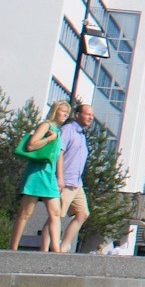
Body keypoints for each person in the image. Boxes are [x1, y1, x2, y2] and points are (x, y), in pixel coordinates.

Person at [8, 101, 70, 252]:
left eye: (67, 113)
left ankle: (55, 249)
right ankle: (13, 247)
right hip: (37, 173)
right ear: (55, 111)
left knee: (56, 212)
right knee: (26, 212)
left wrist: (59, 177)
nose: (65, 115)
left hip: (49, 175)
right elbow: (31, 145)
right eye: (62, 112)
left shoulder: (58, 131)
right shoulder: (46, 126)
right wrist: (49, 138)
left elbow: (58, 156)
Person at [57, 102, 94, 253]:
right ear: (77, 115)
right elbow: (58, 153)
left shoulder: (82, 134)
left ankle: (63, 246)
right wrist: (60, 178)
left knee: (82, 213)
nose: (90, 117)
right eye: (87, 114)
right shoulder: (68, 130)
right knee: (56, 216)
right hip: (65, 181)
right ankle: (47, 249)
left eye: (92, 115)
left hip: (77, 183)